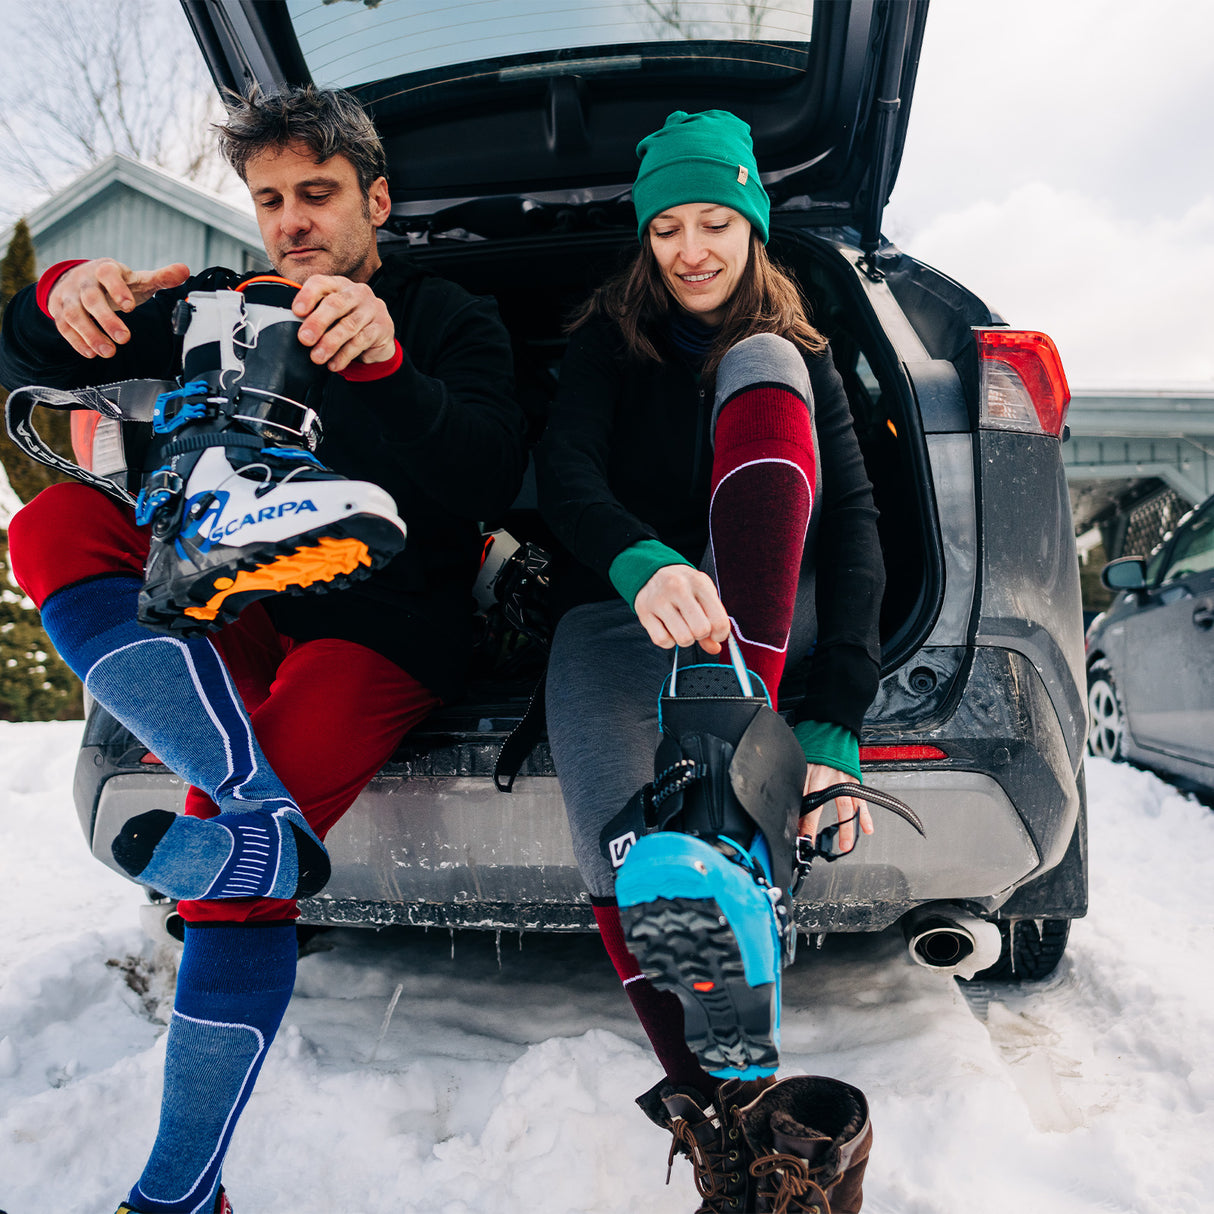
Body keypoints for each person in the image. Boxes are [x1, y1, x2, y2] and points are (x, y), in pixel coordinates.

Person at [0, 86, 525, 1214]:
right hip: (221, 603)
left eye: (317, 194)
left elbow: (488, 470)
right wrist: (61, 292)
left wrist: (386, 369)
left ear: (375, 201)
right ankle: (255, 801)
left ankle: (182, 1193)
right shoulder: (217, 305)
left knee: (230, 877)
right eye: (271, 198)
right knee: (49, 525)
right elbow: (20, 355)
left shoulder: (445, 314)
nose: (291, 220)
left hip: (379, 626)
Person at [535, 110, 885, 1213]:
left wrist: (826, 722)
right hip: (628, 609)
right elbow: (566, 476)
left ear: (752, 226)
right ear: (645, 238)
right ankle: (736, 1140)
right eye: (667, 227)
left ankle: (737, 770)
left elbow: (855, 533)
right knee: (625, 852)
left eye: (715, 222)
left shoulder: (800, 351)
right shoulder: (607, 341)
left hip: (771, 628)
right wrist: (637, 560)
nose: (690, 249)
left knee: (760, 356)